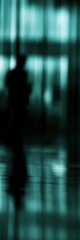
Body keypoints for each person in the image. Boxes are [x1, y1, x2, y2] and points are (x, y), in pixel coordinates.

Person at [5, 55, 31, 206]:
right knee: (18, 119)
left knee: (16, 119)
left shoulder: (13, 73)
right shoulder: (21, 74)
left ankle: (15, 135)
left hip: (15, 100)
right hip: (19, 100)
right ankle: (16, 135)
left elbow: (7, 85)